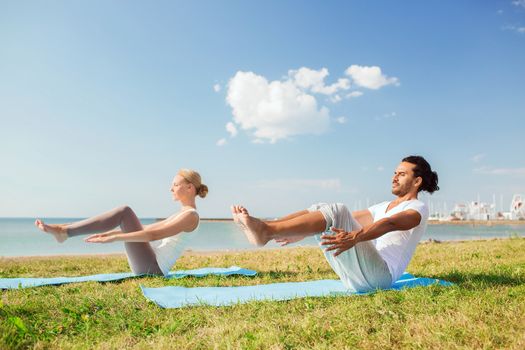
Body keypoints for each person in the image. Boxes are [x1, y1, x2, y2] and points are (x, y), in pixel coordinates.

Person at [232, 155, 439, 292]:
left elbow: (391, 223)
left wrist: (356, 236)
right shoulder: (383, 205)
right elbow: (344, 217)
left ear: (417, 181)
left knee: (337, 209)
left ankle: (266, 231)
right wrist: (303, 231)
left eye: (401, 174)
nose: (394, 177)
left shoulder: (417, 208)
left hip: (380, 278)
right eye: (394, 173)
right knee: (322, 207)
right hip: (356, 278)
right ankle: (268, 226)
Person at [35, 169, 208, 276]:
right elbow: (147, 228)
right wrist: (113, 233)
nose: (171, 188)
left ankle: (65, 232)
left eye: (175, 184)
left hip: (153, 269)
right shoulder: (182, 213)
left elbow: (152, 235)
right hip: (150, 263)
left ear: (189, 188)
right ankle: (64, 230)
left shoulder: (190, 216)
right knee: (124, 213)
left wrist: (115, 239)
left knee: (125, 212)